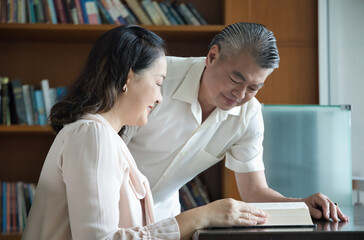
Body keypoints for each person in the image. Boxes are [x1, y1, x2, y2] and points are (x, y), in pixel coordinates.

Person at [22, 25, 270, 240]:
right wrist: (201, 216)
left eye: (253, 88)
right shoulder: (94, 136)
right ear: (128, 78)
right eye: (159, 83)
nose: (161, 98)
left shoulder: (107, 139)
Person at [123, 22, 349, 223]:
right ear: (212, 56)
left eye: (253, 88)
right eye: (235, 79)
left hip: (163, 220)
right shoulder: (157, 78)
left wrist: (300, 205)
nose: (240, 95)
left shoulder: (248, 115)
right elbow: (105, 147)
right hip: (106, 204)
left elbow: (254, 191)